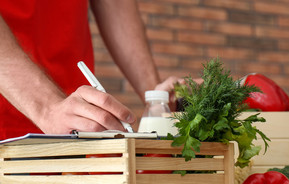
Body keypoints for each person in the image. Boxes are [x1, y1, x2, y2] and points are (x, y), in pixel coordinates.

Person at [0, 0, 180, 140]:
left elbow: (115, 5)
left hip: (78, 125)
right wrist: (46, 107)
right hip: (9, 125)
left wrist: (157, 100)